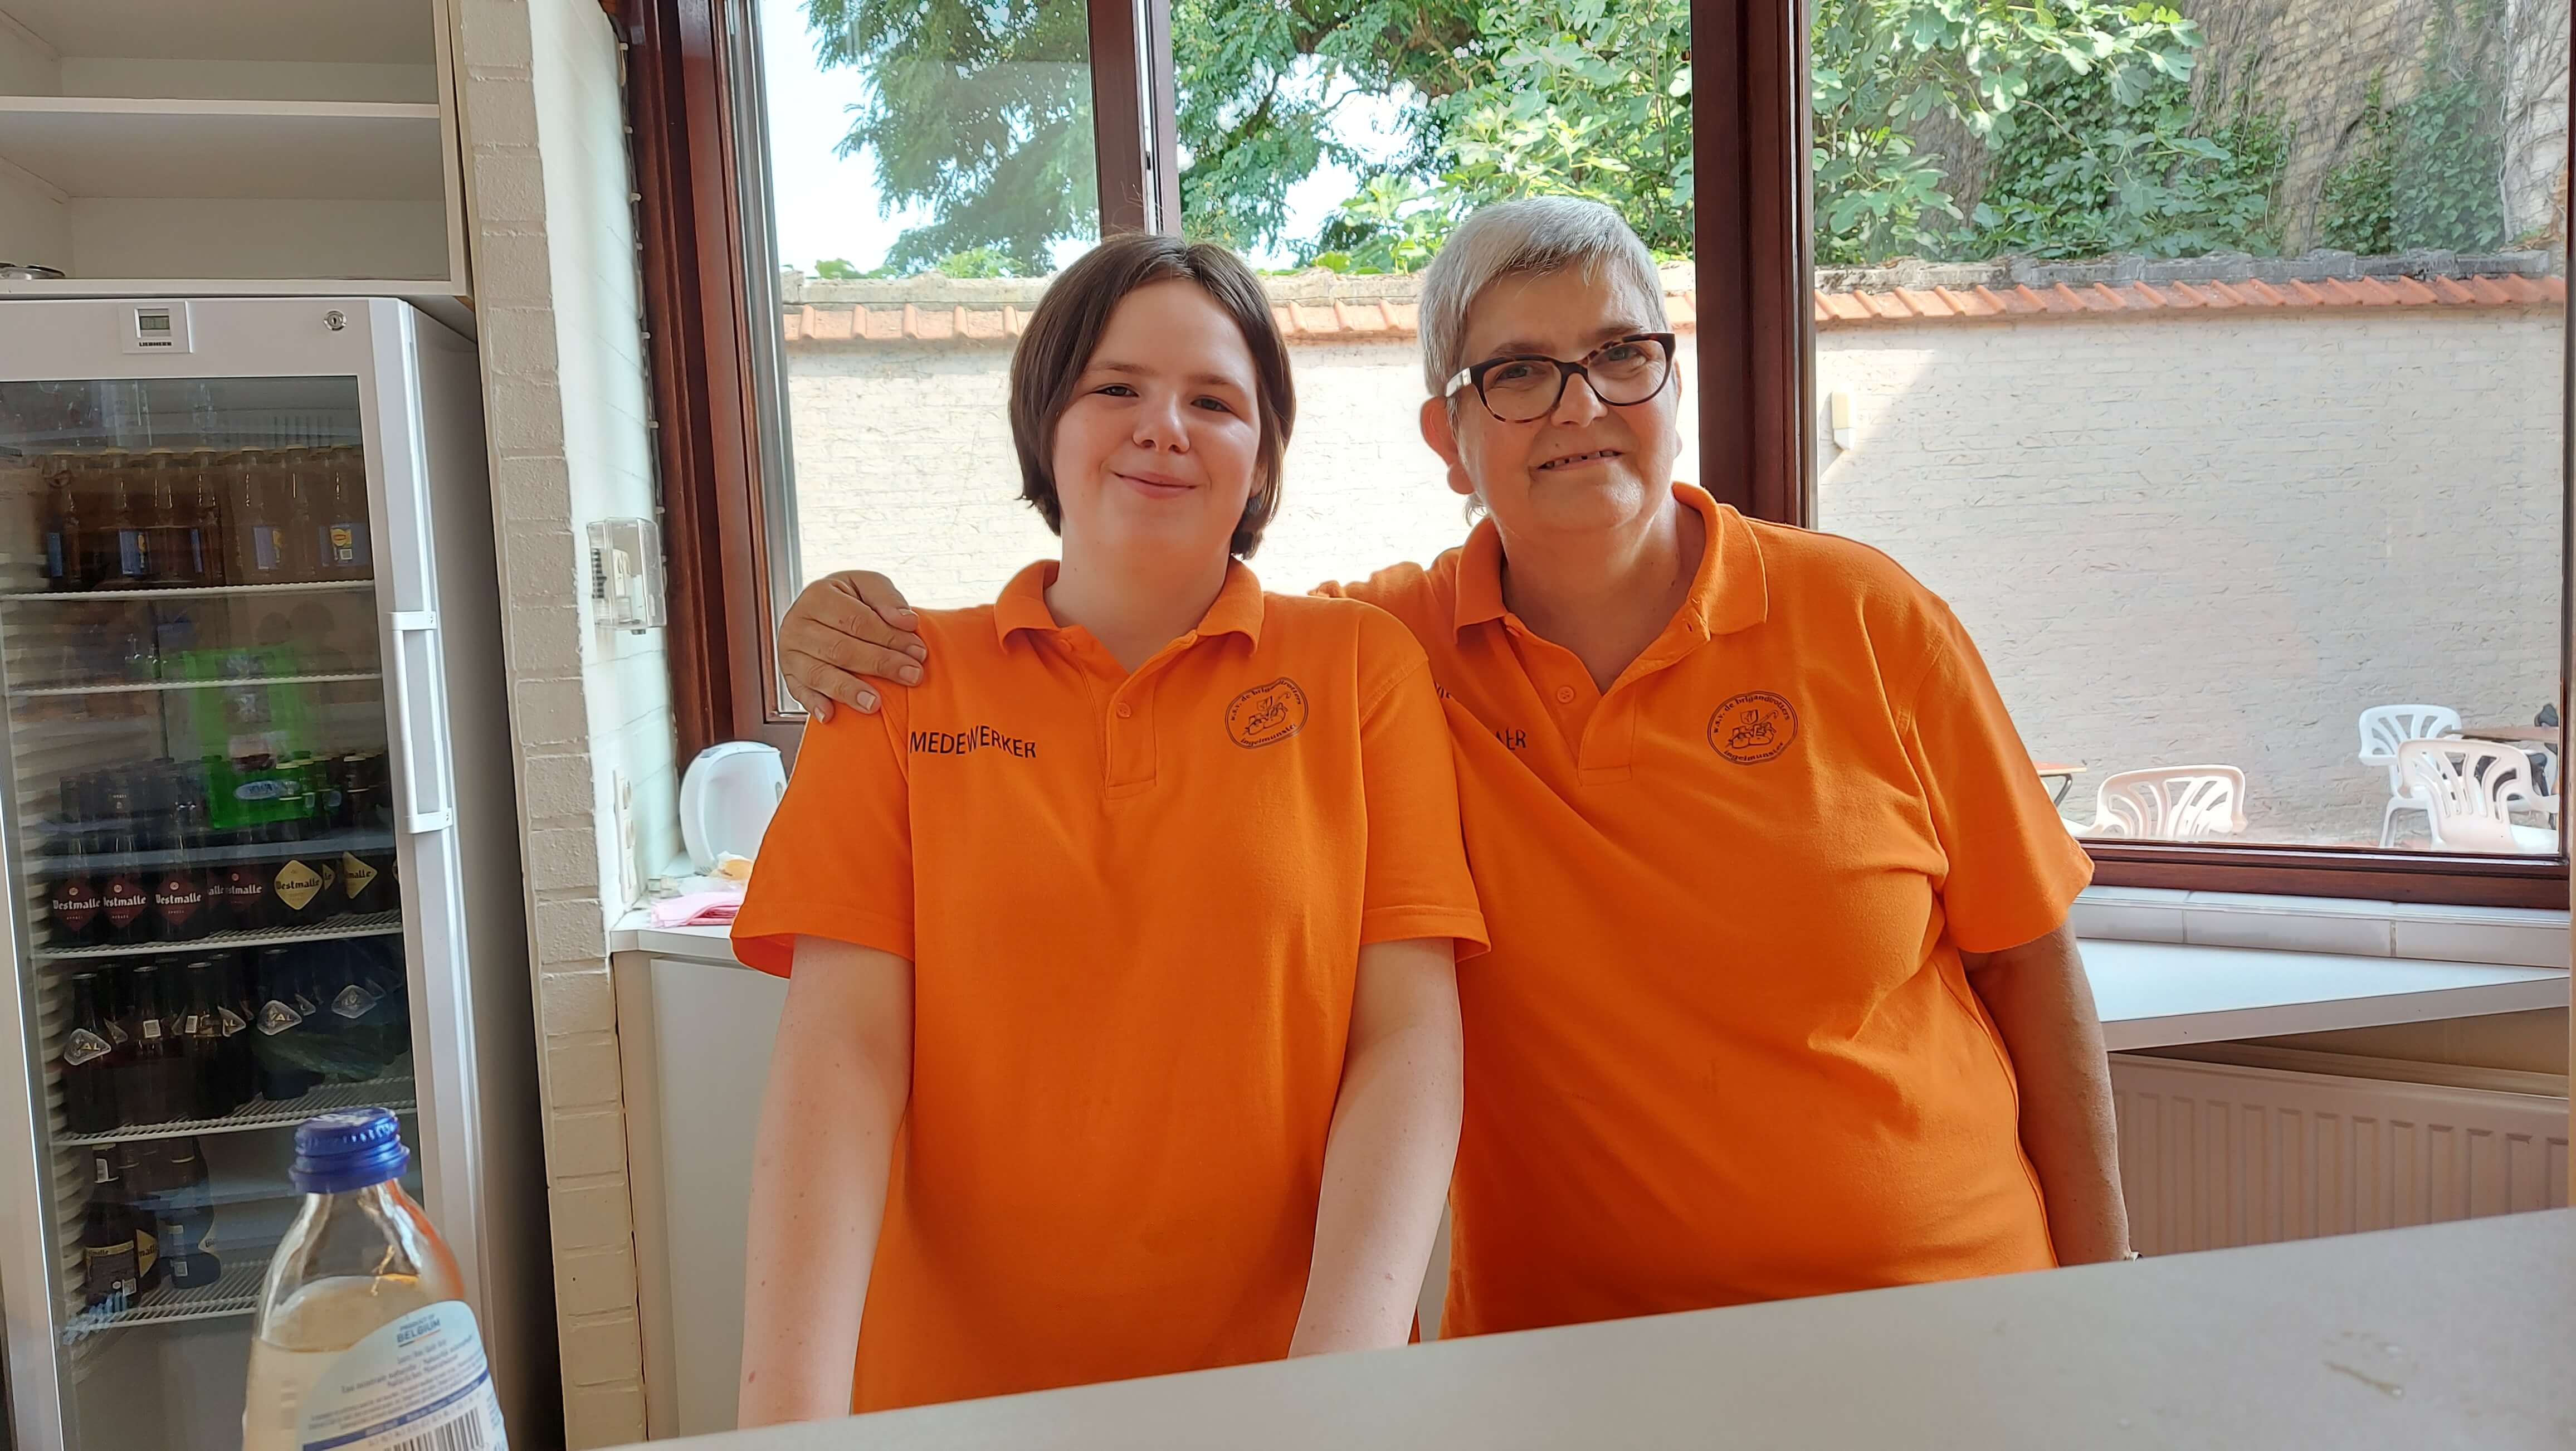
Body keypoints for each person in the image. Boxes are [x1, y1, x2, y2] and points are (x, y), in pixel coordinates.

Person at [775, 197, 2129, 1341]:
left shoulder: (1868, 618)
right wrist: (840, 633)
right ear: (1448, 439)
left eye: (1619, 356)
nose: (1579, 406)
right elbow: (1156, 620)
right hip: (1565, 1359)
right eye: (1517, 373)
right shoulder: (1382, 658)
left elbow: (2029, 962)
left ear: (1668, 382)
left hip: (1938, 1319)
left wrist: (2104, 1290)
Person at [731, 233, 1487, 1422]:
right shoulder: (899, 683)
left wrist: (1337, 1387)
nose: (1163, 428)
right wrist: (785, 1423)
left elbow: (1405, 1036)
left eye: (1214, 401)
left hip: (1280, 1391)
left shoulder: (1360, 671)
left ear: (1262, 456)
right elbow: (843, 1056)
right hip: (949, 1398)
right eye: (1116, 388)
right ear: (1046, 423)